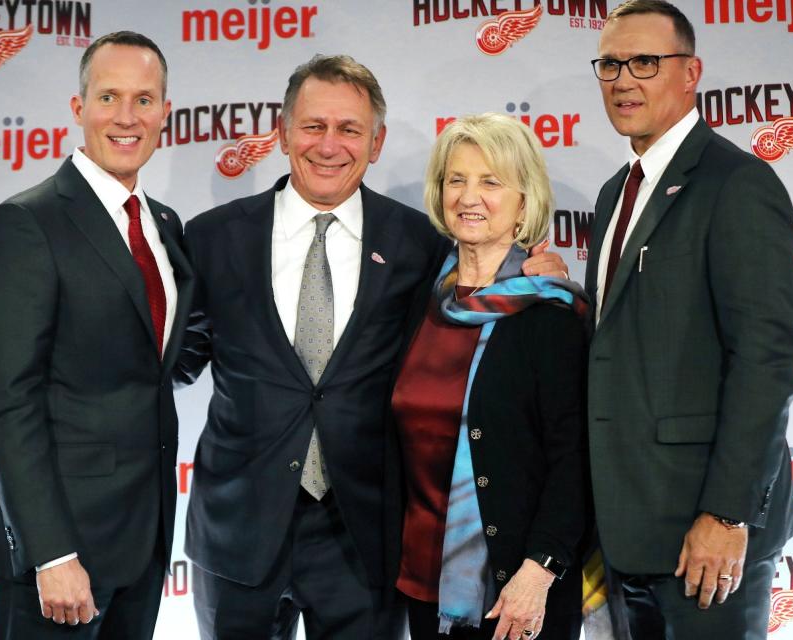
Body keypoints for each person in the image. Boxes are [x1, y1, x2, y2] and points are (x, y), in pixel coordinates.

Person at [176, 55, 568, 640]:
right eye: (313, 126)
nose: (329, 145)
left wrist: (539, 270)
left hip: (365, 539)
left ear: (377, 142)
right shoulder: (211, 237)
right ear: (283, 134)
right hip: (236, 536)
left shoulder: (420, 244)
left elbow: (485, 301)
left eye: (350, 129)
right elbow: (175, 363)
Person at [584, 2, 793, 638]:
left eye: (646, 62)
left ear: (690, 72)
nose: (624, 80)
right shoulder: (613, 193)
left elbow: (767, 359)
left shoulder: (738, 184)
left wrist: (728, 514)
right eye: (610, 65)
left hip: (704, 538)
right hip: (627, 530)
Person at [0, 31, 191, 639]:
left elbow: (163, 356)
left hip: (143, 543)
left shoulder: (164, 225)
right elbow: (8, 401)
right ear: (78, 108)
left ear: (165, 112)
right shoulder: (28, 222)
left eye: (144, 100)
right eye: (109, 97)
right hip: (62, 554)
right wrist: (52, 552)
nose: (126, 117)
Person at [392, 113, 590, 640]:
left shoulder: (550, 314)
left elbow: (576, 460)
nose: (469, 196)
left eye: (491, 181)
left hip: (516, 593)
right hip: (420, 583)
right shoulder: (423, 301)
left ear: (524, 202)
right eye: (456, 179)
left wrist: (539, 570)